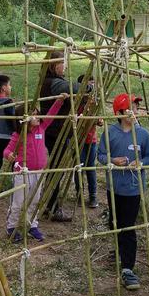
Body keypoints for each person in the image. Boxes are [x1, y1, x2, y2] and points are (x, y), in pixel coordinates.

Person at [97, 93, 149, 290]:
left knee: (128, 226)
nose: (135, 112)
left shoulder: (143, 134)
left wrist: (141, 163)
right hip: (114, 187)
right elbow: (100, 155)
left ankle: (128, 268)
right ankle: (119, 247)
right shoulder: (109, 133)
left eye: (136, 108)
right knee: (115, 221)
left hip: (133, 188)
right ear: (119, 113)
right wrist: (112, 160)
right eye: (131, 108)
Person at [4, 94, 68, 242]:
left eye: (37, 113)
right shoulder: (18, 135)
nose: (37, 116)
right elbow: (7, 150)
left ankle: (32, 225)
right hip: (22, 173)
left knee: (34, 200)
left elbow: (51, 115)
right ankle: (11, 226)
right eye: (33, 114)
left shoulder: (41, 128)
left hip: (38, 172)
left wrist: (59, 102)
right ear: (24, 118)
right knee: (18, 202)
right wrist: (9, 156)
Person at [40, 51, 91, 221]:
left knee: (57, 168)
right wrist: (89, 87)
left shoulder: (50, 80)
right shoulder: (53, 82)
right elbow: (73, 88)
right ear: (54, 65)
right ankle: (52, 207)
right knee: (57, 169)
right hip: (55, 131)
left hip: (56, 130)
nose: (66, 66)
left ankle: (49, 203)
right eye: (63, 63)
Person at [74, 74, 100, 208]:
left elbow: (99, 120)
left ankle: (93, 196)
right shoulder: (76, 102)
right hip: (78, 140)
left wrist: (96, 119)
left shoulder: (94, 102)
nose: (91, 87)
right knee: (79, 168)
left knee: (91, 168)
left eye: (93, 84)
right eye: (89, 84)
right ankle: (79, 194)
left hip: (91, 140)